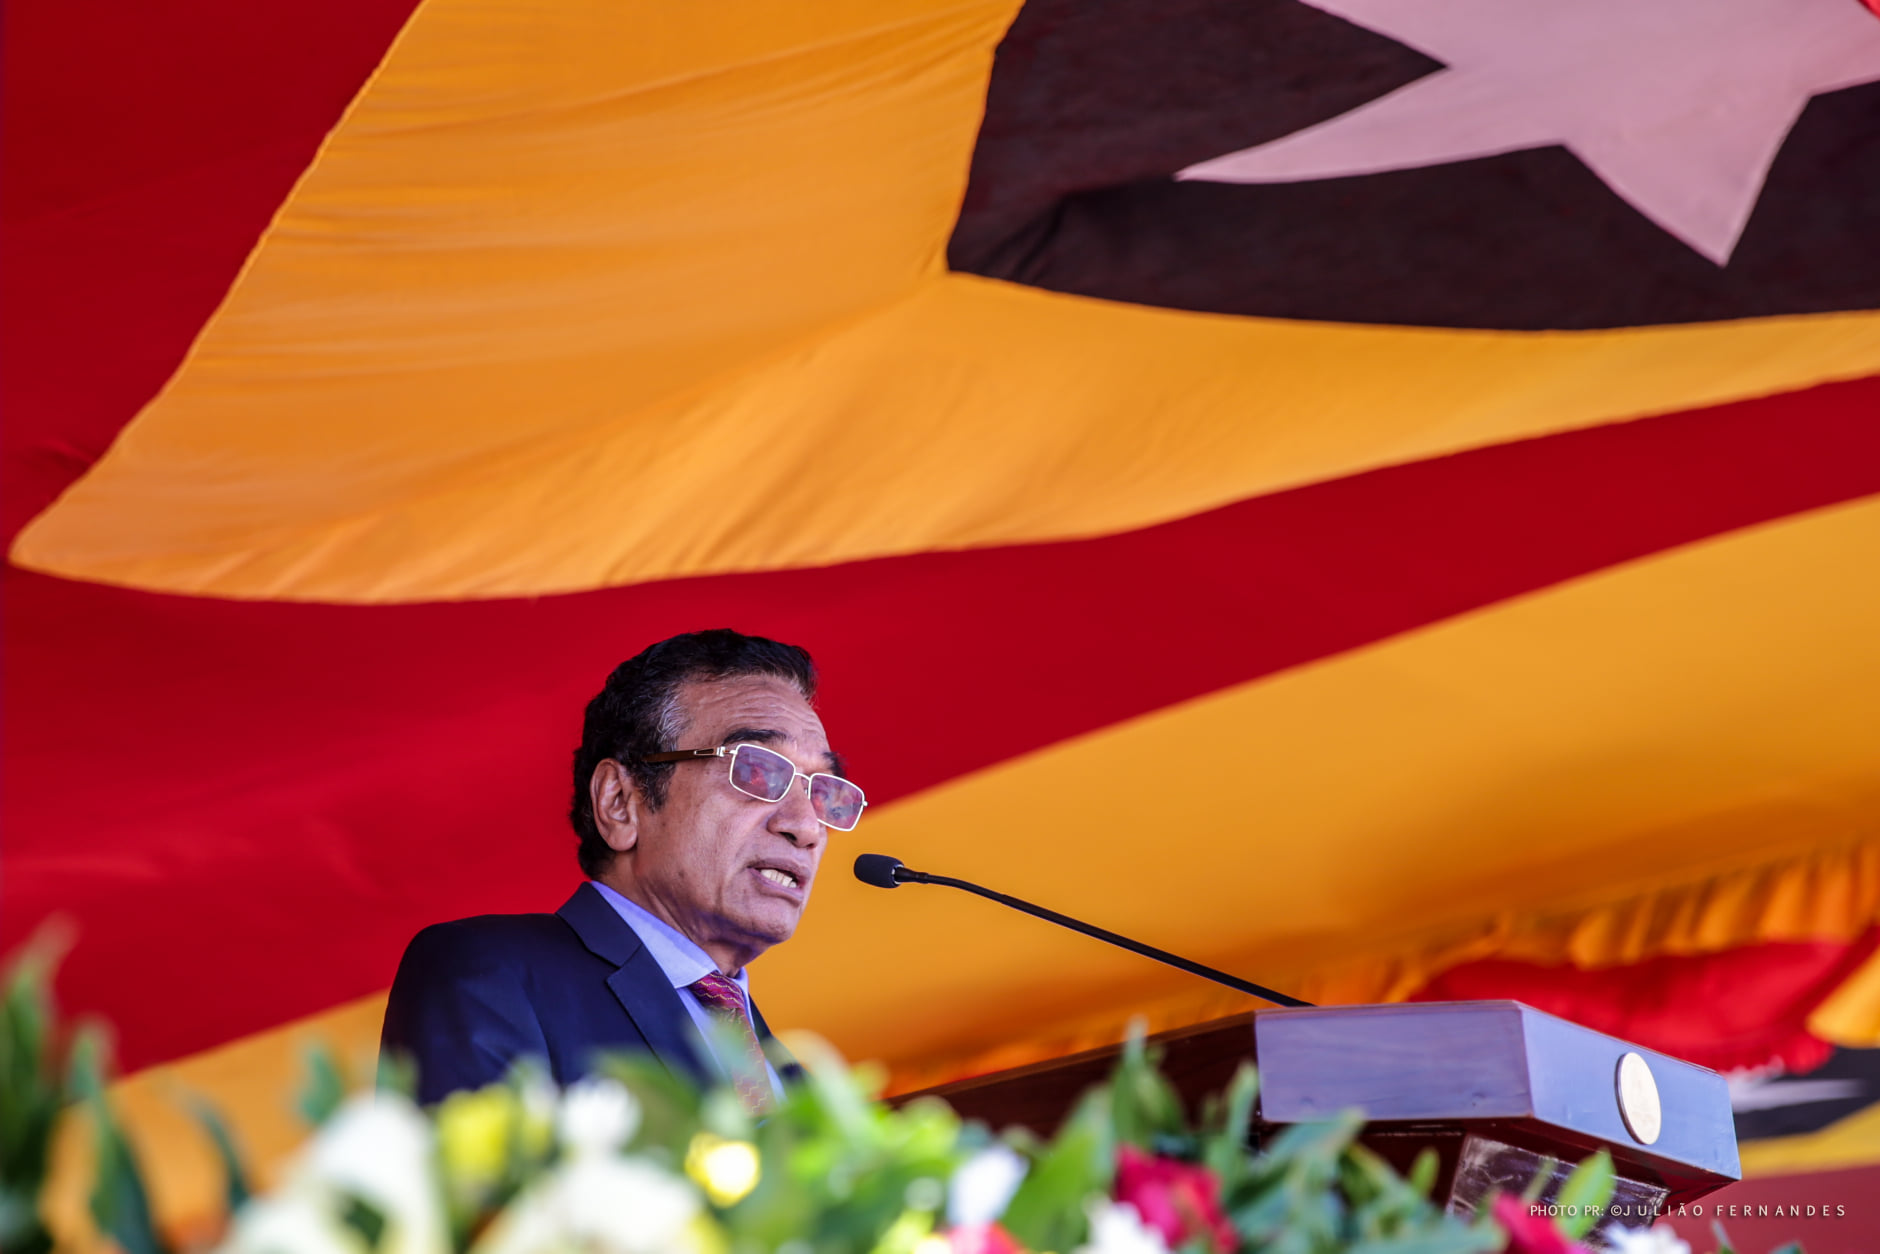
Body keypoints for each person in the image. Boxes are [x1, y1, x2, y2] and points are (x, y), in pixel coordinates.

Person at [380, 629, 866, 1107]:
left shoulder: (801, 1085)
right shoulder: (490, 975)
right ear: (619, 802)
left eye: (824, 790)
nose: (805, 825)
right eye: (757, 771)